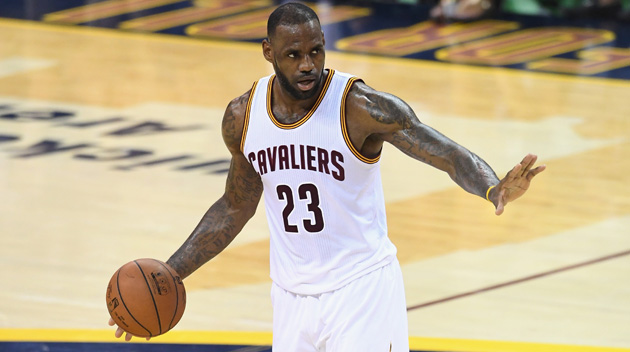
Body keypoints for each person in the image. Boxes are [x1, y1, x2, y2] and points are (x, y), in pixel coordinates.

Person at [109, 2, 546, 351]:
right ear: (268, 52)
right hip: (291, 296)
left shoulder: (360, 107)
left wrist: (492, 186)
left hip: (362, 290)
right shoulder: (242, 117)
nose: (307, 65)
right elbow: (235, 205)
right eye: (293, 54)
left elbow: (443, 152)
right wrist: (170, 274)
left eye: (315, 51)